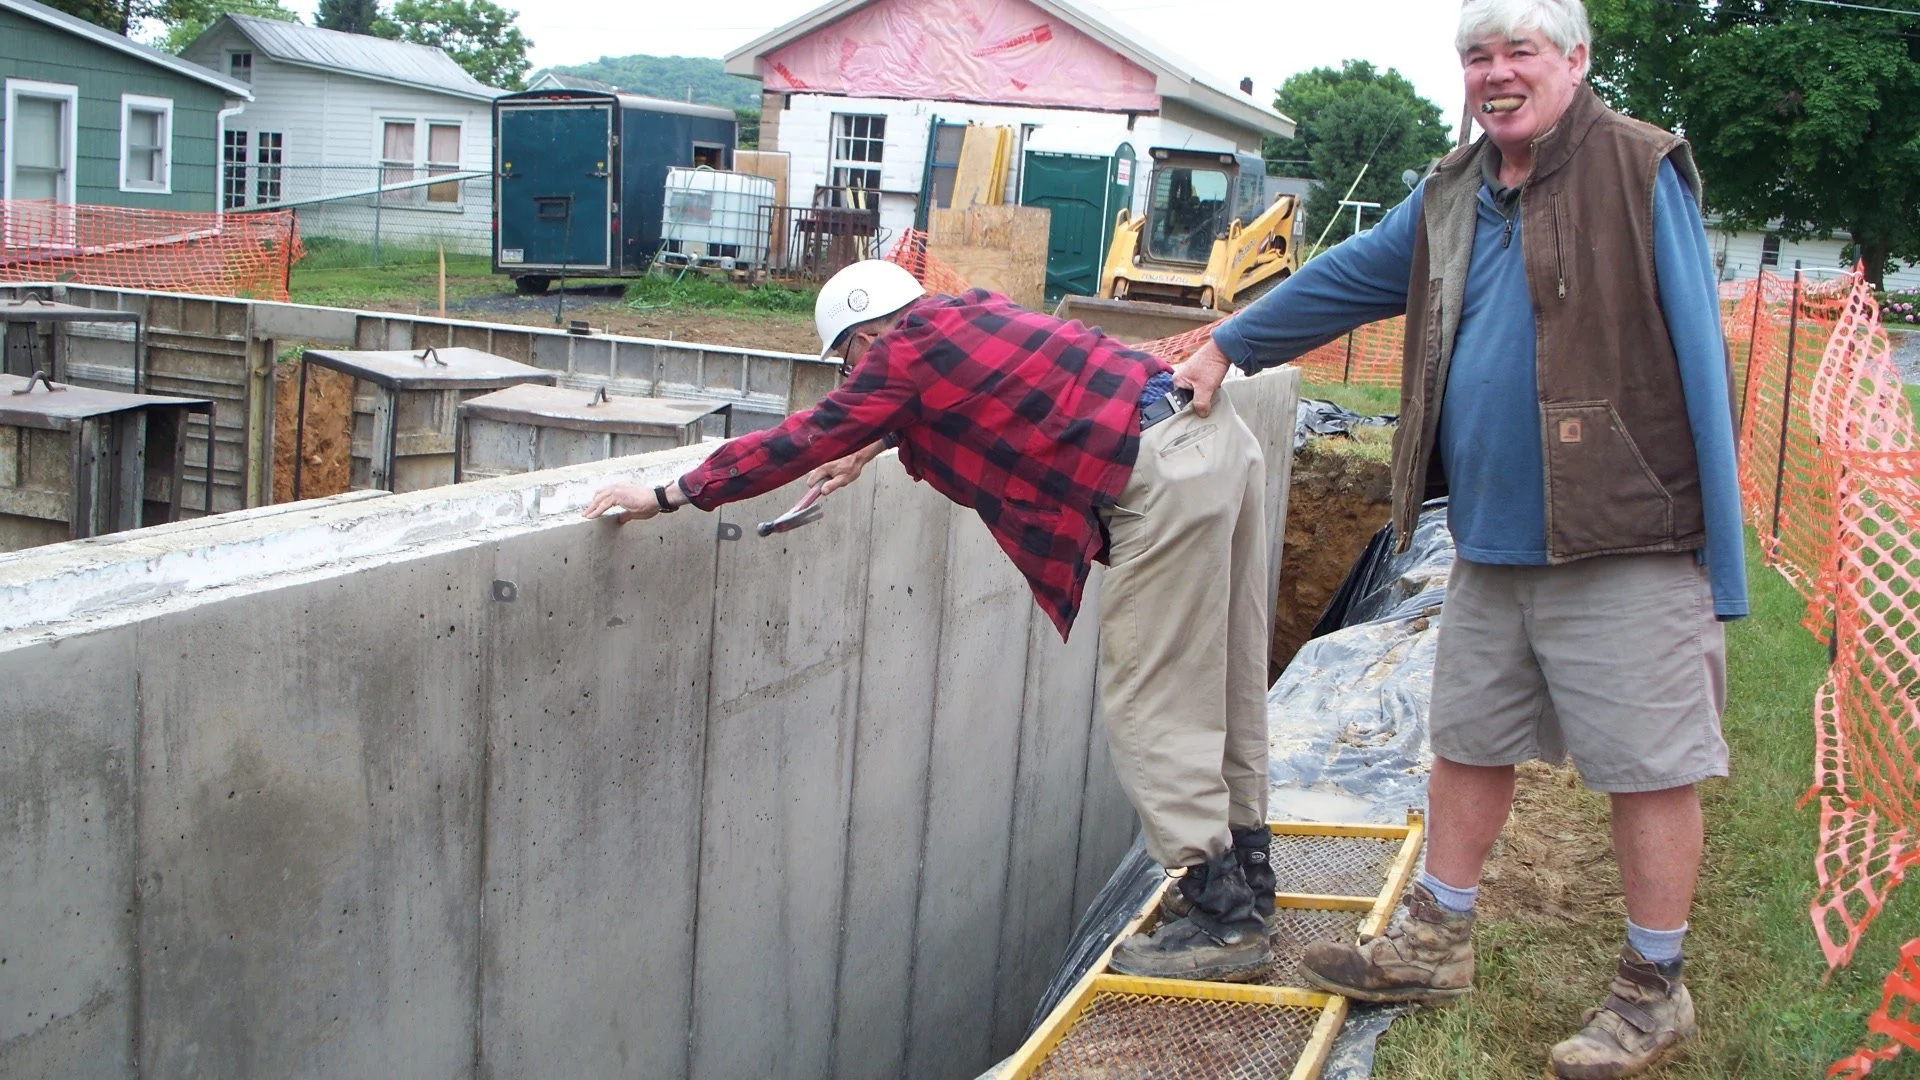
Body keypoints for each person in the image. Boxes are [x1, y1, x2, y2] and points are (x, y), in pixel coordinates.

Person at [1173, 0, 1745, 1075]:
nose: (1496, 73)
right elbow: (1347, 279)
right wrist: (1228, 347)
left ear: (1575, 61)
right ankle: (1437, 938)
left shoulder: (1638, 167)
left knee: (1649, 767)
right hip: (1487, 536)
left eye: (1519, 51)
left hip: (1624, 534)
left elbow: (1704, 359)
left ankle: (1652, 988)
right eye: (1477, 55)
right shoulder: (1454, 191)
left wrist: (1721, 562)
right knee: (1466, 743)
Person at [582, 261, 1280, 982]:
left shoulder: (899, 355)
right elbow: (972, 396)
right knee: (1226, 674)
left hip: (1157, 481)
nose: (853, 373)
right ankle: (1248, 881)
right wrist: (875, 440)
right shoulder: (970, 311)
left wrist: (668, 493)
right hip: (1213, 438)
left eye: (849, 358)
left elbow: (801, 438)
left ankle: (1221, 921)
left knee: (1151, 700)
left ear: (866, 333)